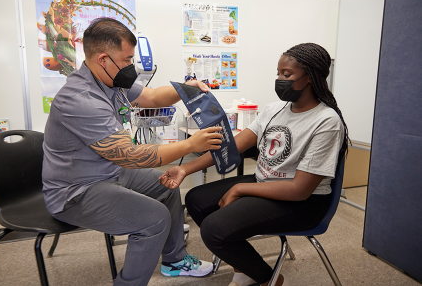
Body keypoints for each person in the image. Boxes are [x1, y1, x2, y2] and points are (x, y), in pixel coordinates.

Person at [42, 18, 224, 286]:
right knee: (154, 219)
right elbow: (129, 155)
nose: (131, 66)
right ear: (103, 58)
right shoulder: (81, 98)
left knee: (168, 184)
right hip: (75, 191)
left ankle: (174, 261)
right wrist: (190, 145)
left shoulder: (110, 81)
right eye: (127, 59)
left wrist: (184, 90)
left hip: (108, 174)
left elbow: (151, 97)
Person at [159, 43, 350, 286]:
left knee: (214, 229)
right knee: (197, 199)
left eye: (287, 75)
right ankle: (245, 269)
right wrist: (185, 168)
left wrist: (240, 189)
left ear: (310, 77)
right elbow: (232, 146)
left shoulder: (327, 121)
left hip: (303, 203)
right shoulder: (274, 109)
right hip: (266, 183)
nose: (280, 79)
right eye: (278, 73)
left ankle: (271, 280)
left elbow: (300, 190)